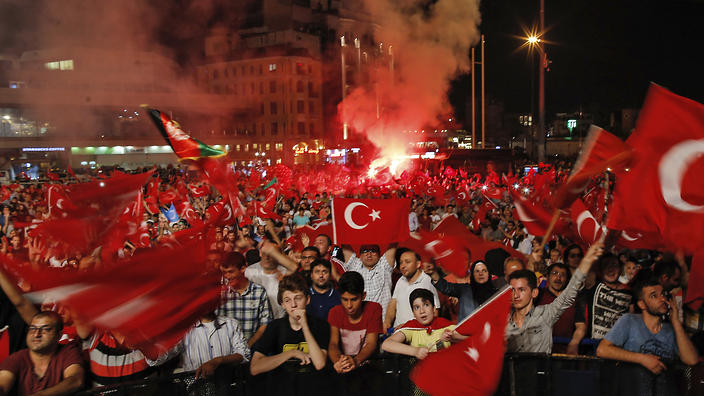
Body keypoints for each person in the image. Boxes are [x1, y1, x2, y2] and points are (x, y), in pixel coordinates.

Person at [597, 269, 699, 392]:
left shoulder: (672, 329)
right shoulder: (630, 321)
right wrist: (642, 359)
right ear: (642, 304)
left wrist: (676, 322)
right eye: (654, 296)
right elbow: (602, 350)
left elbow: (692, 360)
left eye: (663, 294)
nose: (661, 299)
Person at [506, 241, 603, 354]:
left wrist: (586, 262)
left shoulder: (545, 314)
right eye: (513, 290)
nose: (516, 295)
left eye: (521, 290)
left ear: (534, 293)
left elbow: (569, 294)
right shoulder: (503, 320)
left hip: (541, 369)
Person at [249, 274, 330, 394]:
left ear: (307, 299)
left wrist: (305, 326)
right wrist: (291, 353)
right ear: (282, 304)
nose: (293, 305)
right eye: (287, 300)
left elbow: (319, 363)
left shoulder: (320, 325)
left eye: (298, 298)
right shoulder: (275, 327)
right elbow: (255, 368)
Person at [0, 312, 85, 396]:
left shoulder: (68, 351)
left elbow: (76, 380)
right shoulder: (16, 358)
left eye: (46, 329)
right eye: (32, 328)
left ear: (59, 335)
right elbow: (3, 385)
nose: (36, 334)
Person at [147, 311, 250, 378]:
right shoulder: (184, 330)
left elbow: (244, 355)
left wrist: (218, 360)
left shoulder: (231, 324)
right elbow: (159, 358)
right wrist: (144, 347)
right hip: (195, 388)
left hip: (227, 386)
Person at [381, 289, 466, 358]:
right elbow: (386, 344)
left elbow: (470, 337)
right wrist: (415, 351)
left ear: (434, 308)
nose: (422, 311)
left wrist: (453, 337)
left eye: (426, 305)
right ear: (413, 313)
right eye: (417, 307)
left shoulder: (444, 325)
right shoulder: (411, 328)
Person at [327, 271, 383, 374]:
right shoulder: (335, 312)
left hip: (369, 368)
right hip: (344, 365)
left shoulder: (374, 309)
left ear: (363, 296)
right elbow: (333, 344)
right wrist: (338, 362)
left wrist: (356, 361)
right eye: (345, 299)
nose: (349, 305)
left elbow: (371, 343)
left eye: (354, 299)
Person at [217, 251, 273, 347]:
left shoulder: (258, 291)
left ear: (243, 268)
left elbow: (265, 324)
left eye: (231, 272)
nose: (227, 276)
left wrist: (247, 346)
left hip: (252, 349)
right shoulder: (220, 294)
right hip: (226, 351)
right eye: (224, 273)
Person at [535, 263, 586, 355]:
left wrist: (574, 342)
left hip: (564, 353)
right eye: (555, 273)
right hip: (540, 351)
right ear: (547, 276)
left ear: (567, 279)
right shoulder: (538, 295)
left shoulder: (573, 300)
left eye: (562, 275)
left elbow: (581, 326)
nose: (558, 278)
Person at [385, 248, 439, 330]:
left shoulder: (428, 281)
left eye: (407, 262)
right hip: (397, 331)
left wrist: (408, 326)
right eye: (401, 263)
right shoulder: (401, 280)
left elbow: (435, 312)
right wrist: (387, 322)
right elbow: (393, 303)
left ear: (418, 264)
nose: (403, 266)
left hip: (418, 333)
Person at [583, 253, 634, 340]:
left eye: (614, 265)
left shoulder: (629, 292)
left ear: (620, 269)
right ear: (600, 269)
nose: (610, 269)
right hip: (591, 344)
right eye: (606, 265)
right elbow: (587, 269)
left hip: (616, 345)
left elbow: (631, 318)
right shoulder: (593, 284)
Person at [341, 244, 396, 320]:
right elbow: (344, 242)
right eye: (365, 251)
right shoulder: (355, 266)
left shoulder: (384, 266)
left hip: (382, 322)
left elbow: (394, 243)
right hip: (360, 322)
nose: (369, 254)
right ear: (360, 256)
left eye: (373, 251)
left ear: (379, 255)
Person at [246, 241, 298, 319]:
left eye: (271, 253)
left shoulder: (283, 271)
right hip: (258, 319)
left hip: (279, 318)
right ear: (260, 253)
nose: (267, 257)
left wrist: (273, 252)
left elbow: (294, 267)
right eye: (265, 253)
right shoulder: (250, 271)